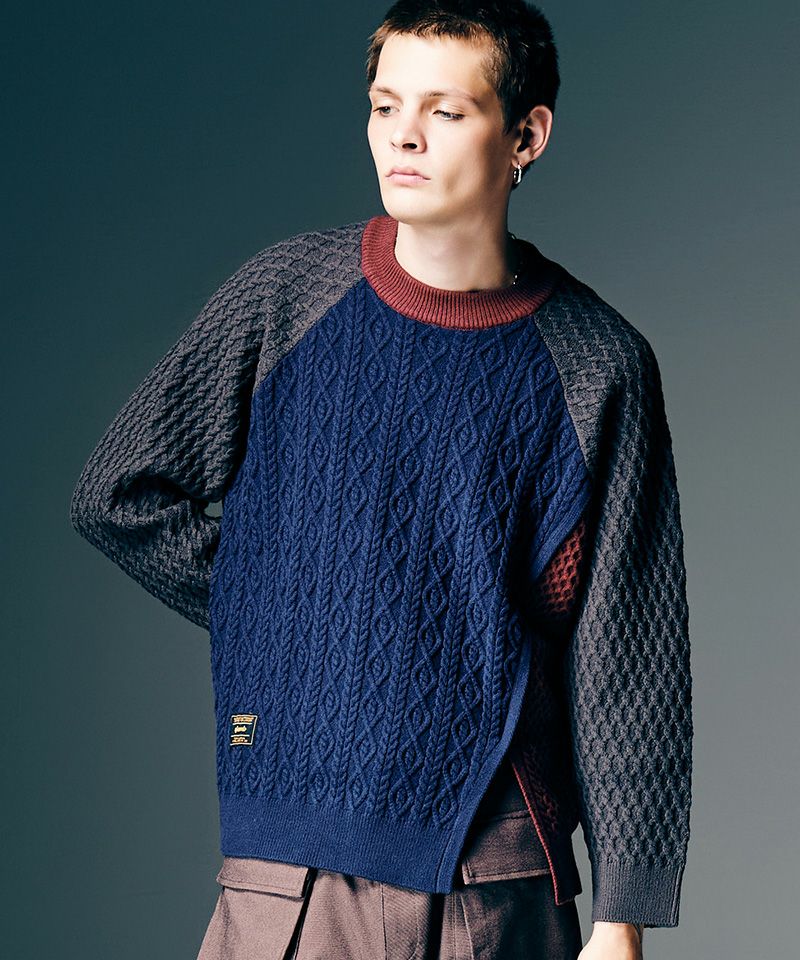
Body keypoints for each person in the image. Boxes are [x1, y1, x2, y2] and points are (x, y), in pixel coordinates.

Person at [69, 1, 693, 958]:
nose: (404, 135)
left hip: (494, 869)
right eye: (385, 105)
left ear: (526, 136)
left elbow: (629, 657)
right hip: (290, 865)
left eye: (445, 111)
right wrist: (301, 619)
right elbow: (120, 494)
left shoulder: (596, 364)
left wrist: (623, 918)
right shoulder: (286, 297)